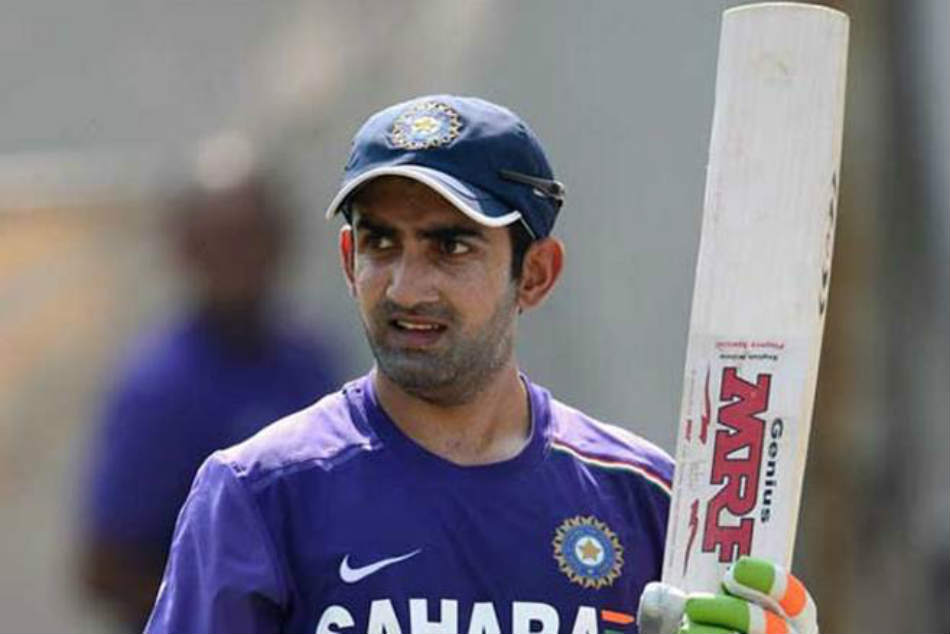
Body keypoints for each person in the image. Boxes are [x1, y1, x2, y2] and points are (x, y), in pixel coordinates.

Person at [144, 96, 819, 634]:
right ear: (349, 261)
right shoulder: (261, 493)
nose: (407, 288)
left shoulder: (648, 501)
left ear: (536, 275)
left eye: (451, 247)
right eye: (382, 243)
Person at [80, 146, 342, 631]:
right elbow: (105, 567)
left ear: (281, 242)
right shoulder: (159, 388)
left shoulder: (308, 362)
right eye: (218, 240)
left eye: (249, 237)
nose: (236, 258)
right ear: (186, 250)